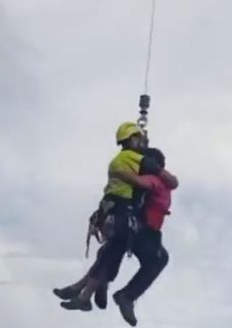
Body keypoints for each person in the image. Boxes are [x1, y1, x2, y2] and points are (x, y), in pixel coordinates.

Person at [52, 122, 164, 311]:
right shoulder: (135, 162)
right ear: (132, 139)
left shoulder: (124, 160)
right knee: (113, 252)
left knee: (110, 251)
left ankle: (84, 289)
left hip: (115, 211)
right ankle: (92, 292)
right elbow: (155, 170)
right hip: (125, 215)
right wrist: (167, 177)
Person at [111, 146, 177, 327]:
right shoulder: (154, 181)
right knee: (158, 259)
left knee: (158, 259)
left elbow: (171, 180)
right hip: (143, 229)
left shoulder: (162, 181)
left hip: (148, 230)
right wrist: (121, 173)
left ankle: (123, 294)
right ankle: (126, 296)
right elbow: (141, 182)